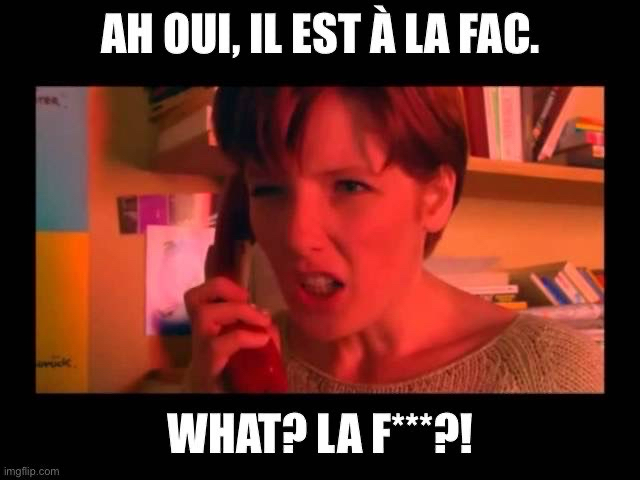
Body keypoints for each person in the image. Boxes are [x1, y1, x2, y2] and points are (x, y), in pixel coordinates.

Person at [183, 87, 604, 393]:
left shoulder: (551, 376)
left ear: (435, 197)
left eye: (349, 186)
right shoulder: (235, 362)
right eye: (268, 190)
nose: (296, 236)